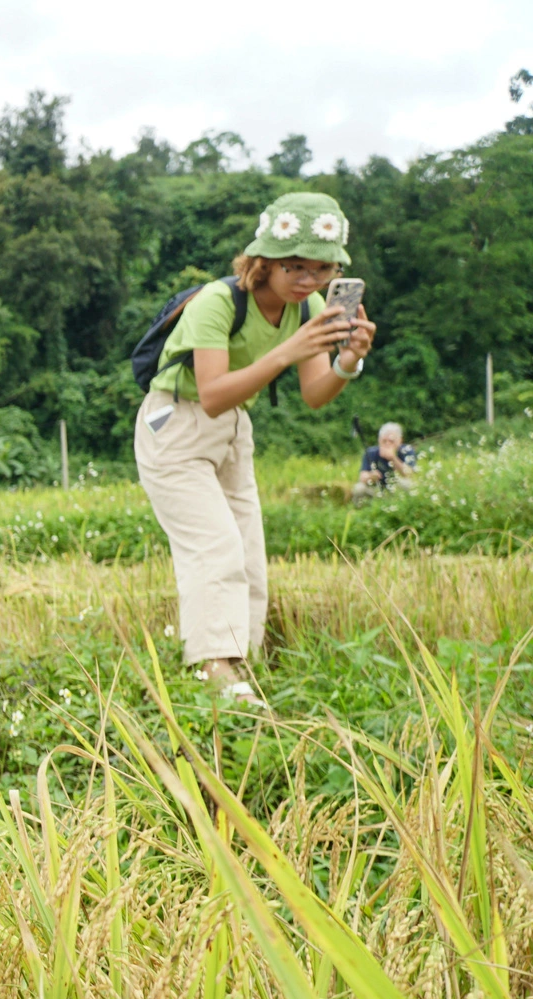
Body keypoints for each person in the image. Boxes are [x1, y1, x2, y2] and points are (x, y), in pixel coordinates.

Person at [135, 191, 375, 703]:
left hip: (231, 430)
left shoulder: (308, 306)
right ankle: (211, 667)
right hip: (174, 423)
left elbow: (314, 394)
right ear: (264, 262)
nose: (309, 281)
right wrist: (289, 350)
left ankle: (241, 662)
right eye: (295, 267)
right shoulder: (217, 303)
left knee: (247, 548)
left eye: (321, 269)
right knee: (214, 544)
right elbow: (214, 393)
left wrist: (348, 360)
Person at [352, 421, 417, 501]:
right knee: (359, 488)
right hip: (377, 489)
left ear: (400, 440)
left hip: (397, 487)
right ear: (379, 440)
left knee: (409, 485)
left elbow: (409, 474)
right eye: (384, 441)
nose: (387, 444)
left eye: (391, 441)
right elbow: (362, 477)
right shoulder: (371, 452)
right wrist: (371, 476)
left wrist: (393, 458)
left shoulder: (407, 450)